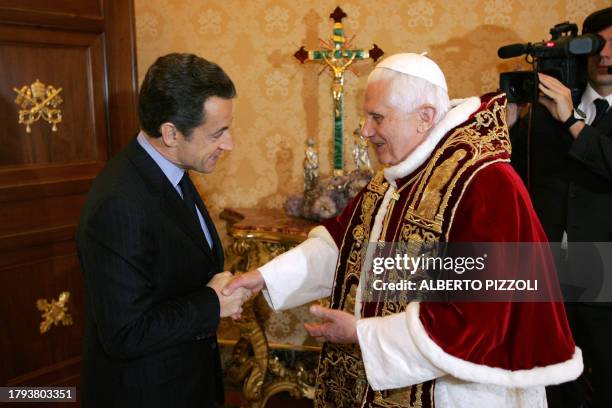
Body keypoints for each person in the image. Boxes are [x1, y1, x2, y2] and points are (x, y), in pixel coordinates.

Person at [224, 53, 583, 407]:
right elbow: (344, 244)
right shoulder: (397, 177)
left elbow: (480, 313)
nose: (365, 130)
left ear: (424, 118)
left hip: (457, 389)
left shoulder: (485, 182)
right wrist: (264, 277)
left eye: (377, 117)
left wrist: (362, 335)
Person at [76, 53, 249, 408]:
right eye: (218, 133)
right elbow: (126, 333)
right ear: (170, 133)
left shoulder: (170, 170)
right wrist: (212, 303)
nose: (229, 143)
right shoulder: (119, 203)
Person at [509, 7, 612, 407]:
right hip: (547, 270)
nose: (605, 56)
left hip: (605, 269)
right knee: (551, 384)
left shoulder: (564, 111)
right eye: (598, 45)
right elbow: (511, 172)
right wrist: (509, 124)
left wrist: (572, 121)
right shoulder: (544, 108)